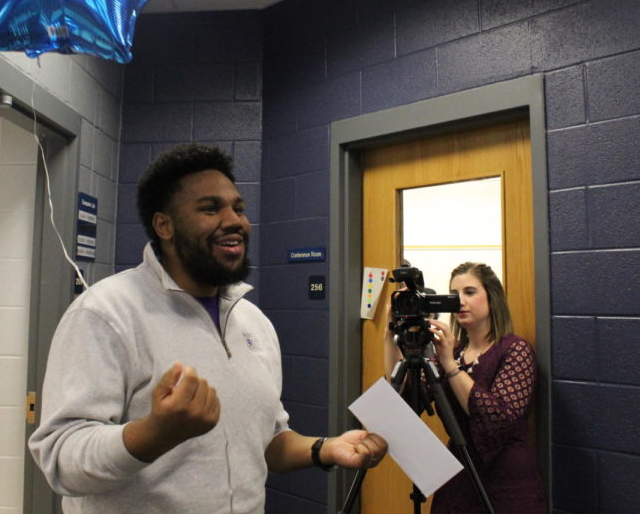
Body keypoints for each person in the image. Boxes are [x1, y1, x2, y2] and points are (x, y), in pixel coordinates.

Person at [29, 143, 387, 513]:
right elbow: (61, 460)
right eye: (210, 208)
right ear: (164, 225)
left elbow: (267, 442)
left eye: (239, 208)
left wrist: (325, 448)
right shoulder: (107, 313)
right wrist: (155, 433)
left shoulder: (253, 322)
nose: (235, 221)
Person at [383, 262, 546, 514]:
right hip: (459, 478)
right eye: (454, 294)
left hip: (507, 482)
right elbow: (406, 399)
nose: (460, 301)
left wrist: (449, 364)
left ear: (492, 297)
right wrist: (390, 335)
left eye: (470, 292)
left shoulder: (515, 350)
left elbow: (496, 420)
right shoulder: (453, 351)